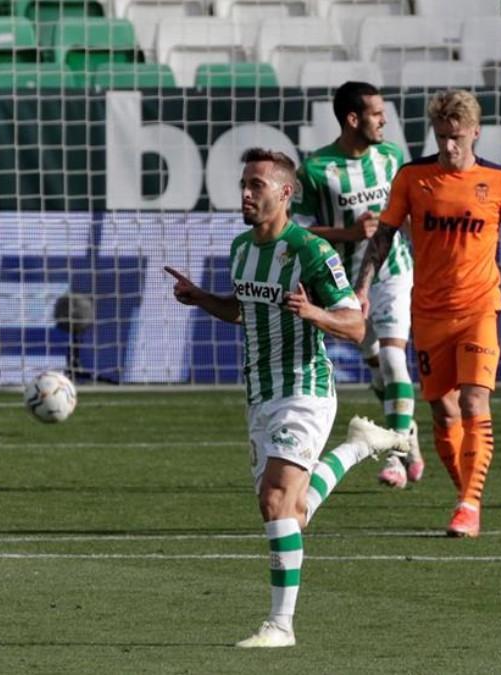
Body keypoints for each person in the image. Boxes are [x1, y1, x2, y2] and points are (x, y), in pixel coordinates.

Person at [166, 148, 408, 648]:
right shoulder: (240, 249)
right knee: (289, 514)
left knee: (275, 500)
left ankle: (280, 625)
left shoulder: (310, 252)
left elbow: (355, 323)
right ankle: (358, 446)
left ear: (285, 193)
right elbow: (243, 310)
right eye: (244, 185)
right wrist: (201, 298)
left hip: (305, 389)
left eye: (257, 185)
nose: (246, 194)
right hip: (259, 392)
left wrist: (313, 312)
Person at [363, 89, 501, 537]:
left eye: (456, 137)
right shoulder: (413, 177)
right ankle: (468, 495)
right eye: (441, 137)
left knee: (475, 400)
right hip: (428, 312)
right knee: (443, 411)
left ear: (476, 132)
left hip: (479, 308)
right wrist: (362, 287)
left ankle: (467, 503)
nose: (448, 146)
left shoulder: (500, 183)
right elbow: (383, 236)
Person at [292, 81, 424, 490]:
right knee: (381, 375)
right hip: (344, 283)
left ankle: (398, 456)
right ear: (353, 119)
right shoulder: (315, 170)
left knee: (394, 362)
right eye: (376, 114)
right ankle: (410, 431)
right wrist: (348, 234)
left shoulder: (391, 157)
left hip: (393, 273)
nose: (385, 120)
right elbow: (298, 230)